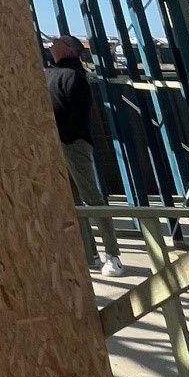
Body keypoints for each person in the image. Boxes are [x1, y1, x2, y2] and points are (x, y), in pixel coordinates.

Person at [45, 35, 123, 277]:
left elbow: (76, 114)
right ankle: (89, 254)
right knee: (73, 201)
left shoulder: (74, 77)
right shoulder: (54, 74)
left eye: (57, 42)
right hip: (60, 142)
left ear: (68, 49)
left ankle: (112, 255)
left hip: (72, 143)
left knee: (91, 196)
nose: (52, 45)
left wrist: (62, 135)